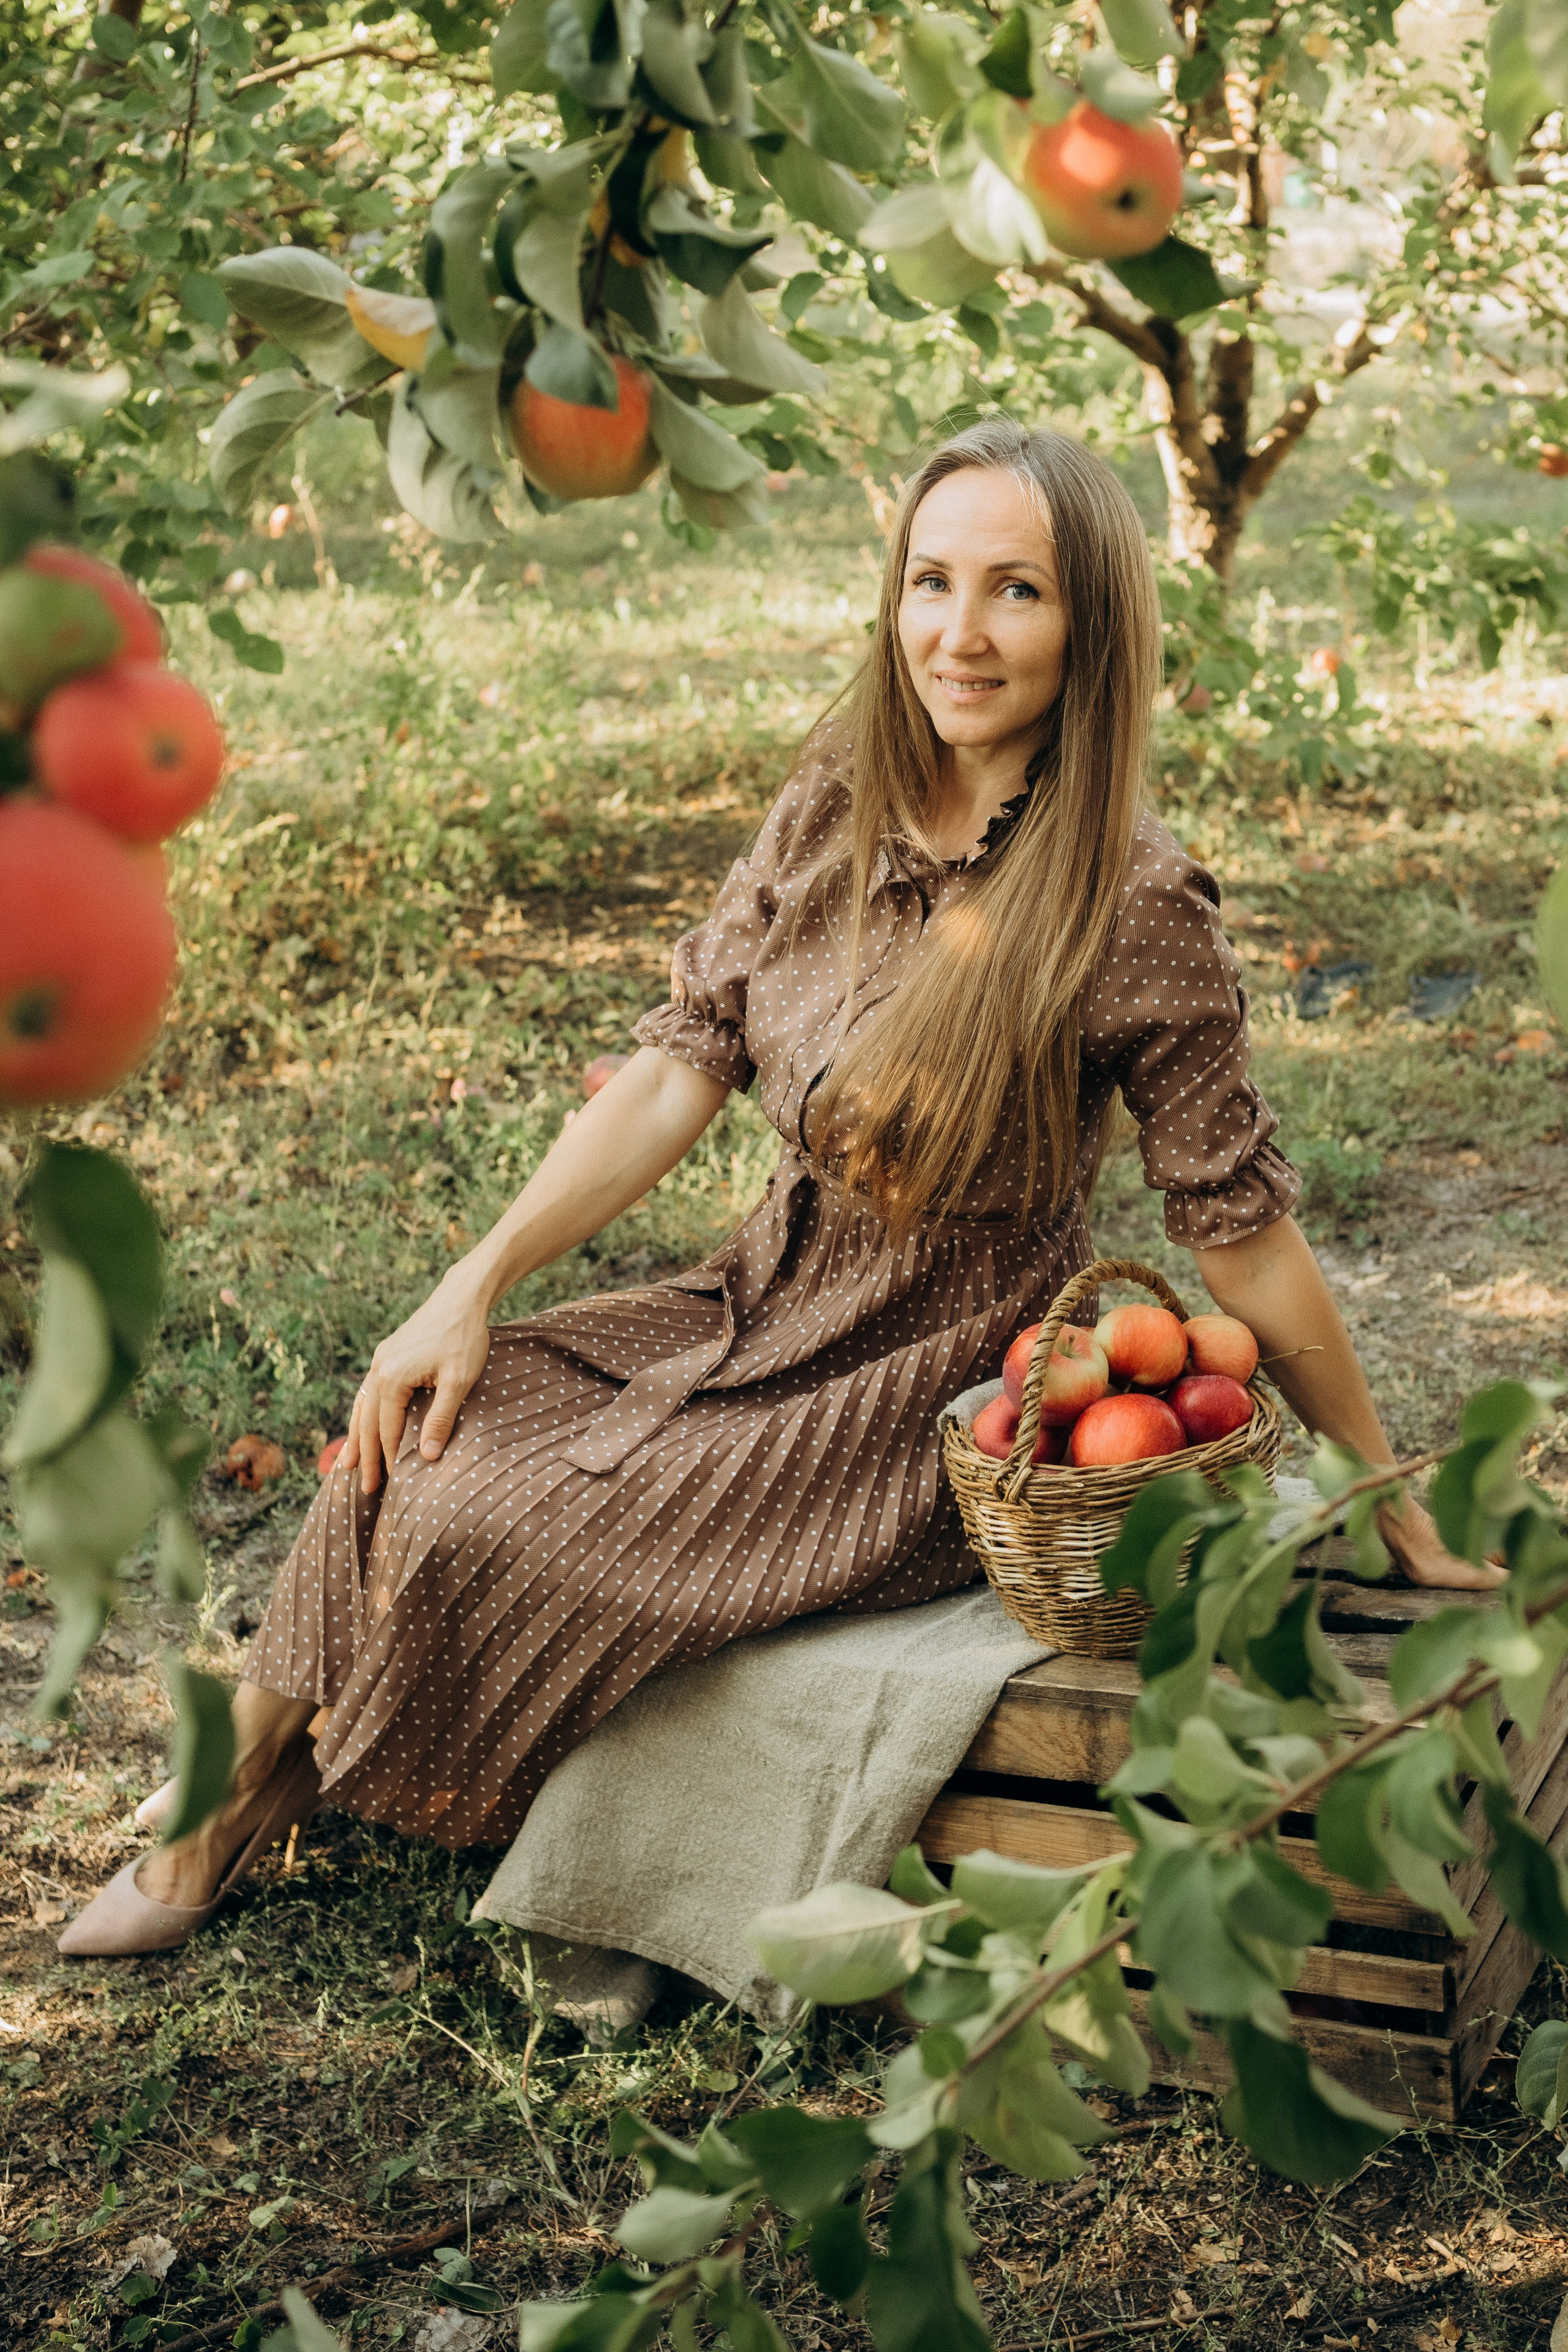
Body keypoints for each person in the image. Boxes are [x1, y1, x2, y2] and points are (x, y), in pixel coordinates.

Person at [59, 421, 1496, 1958]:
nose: (958, 633)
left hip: (912, 1382)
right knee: (419, 1411)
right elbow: (686, 1063)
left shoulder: (1128, 902)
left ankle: (247, 1806)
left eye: (1015, 591)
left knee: (490, 1518)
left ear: (1091, 623)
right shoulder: (837, 801)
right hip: (755, 1295)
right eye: (928, 581)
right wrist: (464, 1286)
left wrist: (1382, 1491)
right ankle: (258, 1762)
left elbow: (1237, 1233)